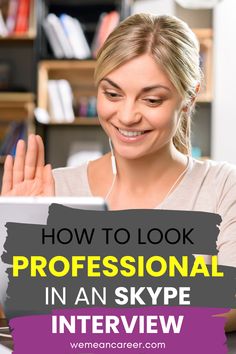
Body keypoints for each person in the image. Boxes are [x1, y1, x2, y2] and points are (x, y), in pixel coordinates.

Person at [1, 13, 236, 330]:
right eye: (112, 94)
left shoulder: (223, 187)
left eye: (151, 99)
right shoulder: (49, 189)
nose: (126, 116)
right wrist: (12, 244)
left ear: (189, 97)